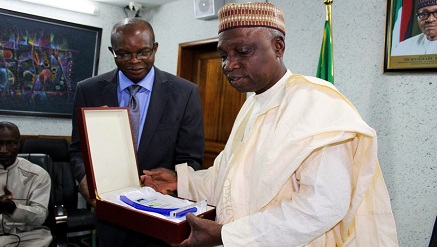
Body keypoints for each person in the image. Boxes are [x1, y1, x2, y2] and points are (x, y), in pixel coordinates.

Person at [142, 2, 399, 246]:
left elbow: (323, 206)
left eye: (242, 52)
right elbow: (227, 178)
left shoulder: (316, 104)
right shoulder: (252, 105)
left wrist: (228, 235)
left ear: (278, 46)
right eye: (223, 55)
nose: (229, 65)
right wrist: (180, 181)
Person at [68, 18, 204, 246]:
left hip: (160, 220)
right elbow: (77, 149)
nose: (134, 61)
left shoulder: (185, 93)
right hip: (110, 220)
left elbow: (191, 160)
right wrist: (83, 180)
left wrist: (171, 183)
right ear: (112, 51)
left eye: (143, 52)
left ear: (156, 48)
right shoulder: (88, 90)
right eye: (123, 54)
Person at [0, 121, 52, 247]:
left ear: (19, 144)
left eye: (11, 143)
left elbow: (40, 217)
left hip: (28, 236)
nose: (3, 150)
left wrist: (13, 208)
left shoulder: (38, 174)